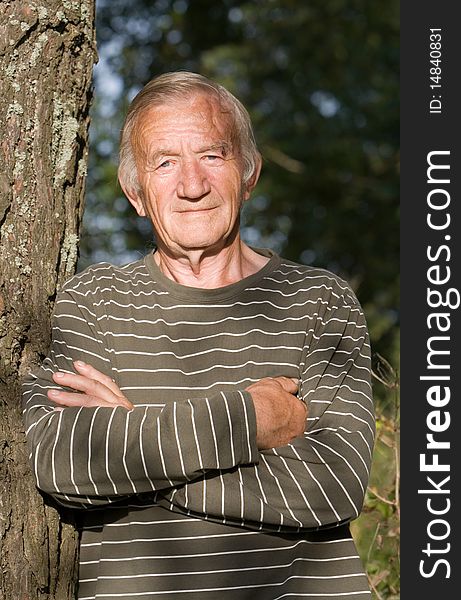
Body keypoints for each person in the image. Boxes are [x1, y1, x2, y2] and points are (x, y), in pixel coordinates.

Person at [22, 71, 375, 599]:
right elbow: (61, 460)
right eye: (165, 163)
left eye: (212, 155)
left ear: (249, 173)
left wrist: (130, 439)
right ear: (136, 192)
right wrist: (249, 419)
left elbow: (334, 483)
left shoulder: (318, 300)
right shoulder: (90, 302)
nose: (192, 185)